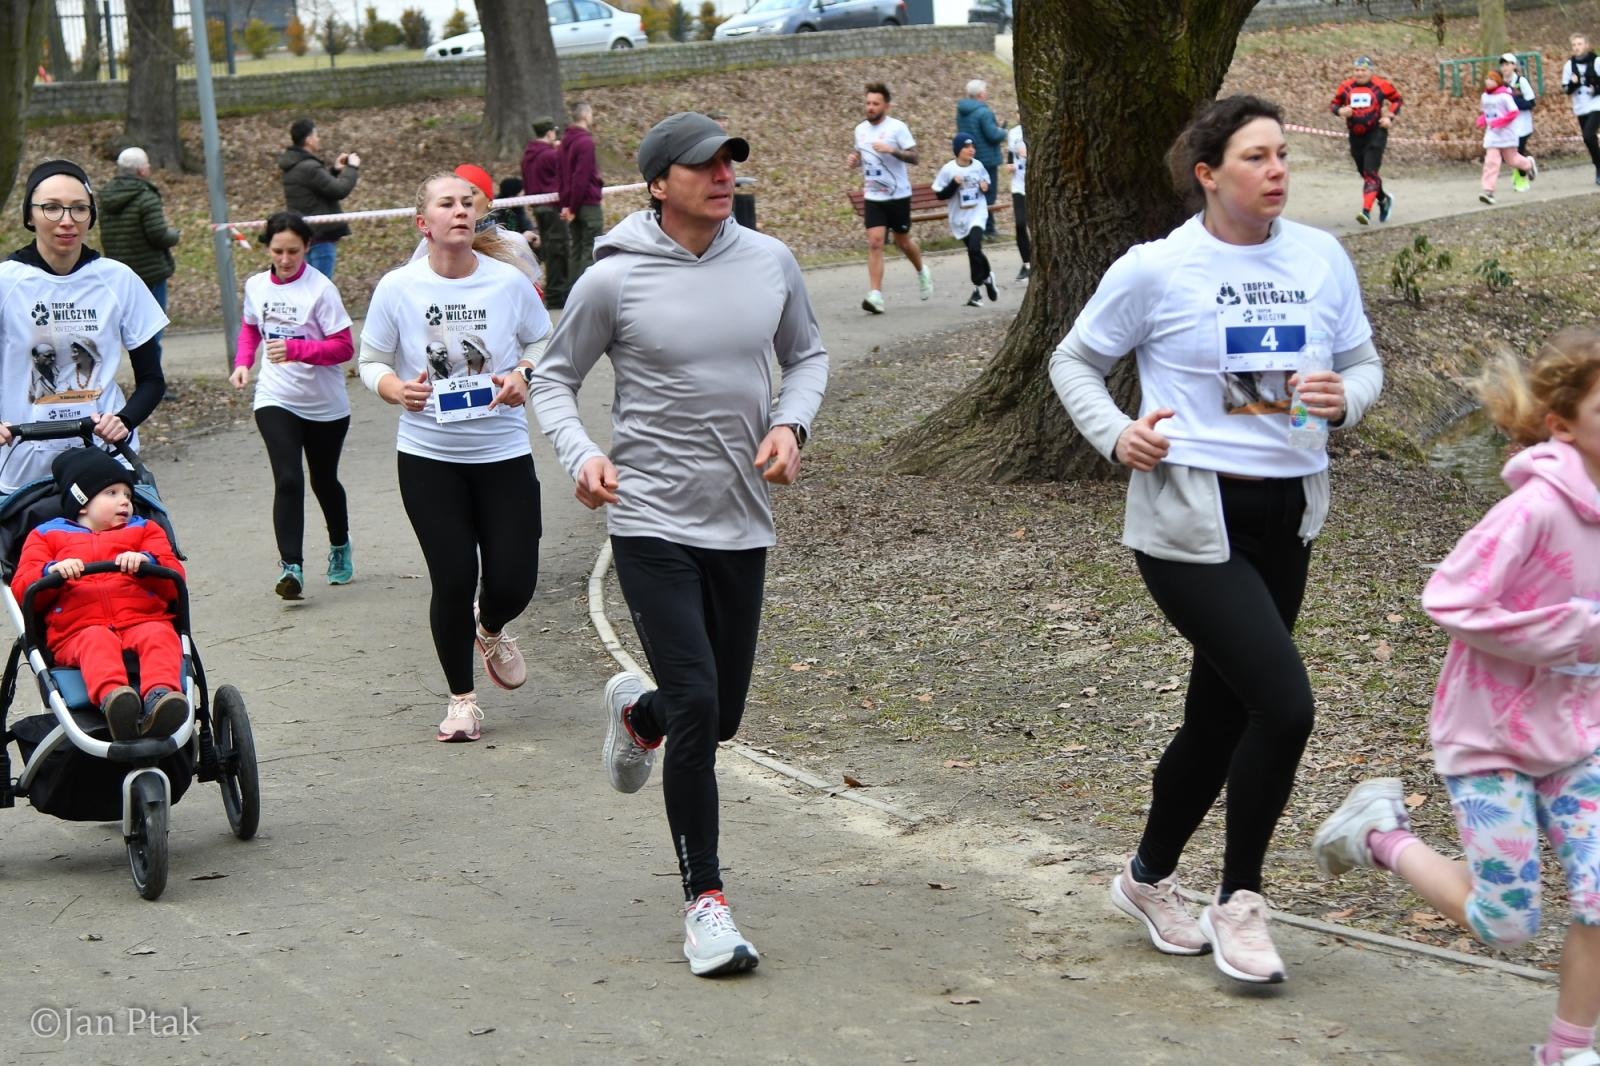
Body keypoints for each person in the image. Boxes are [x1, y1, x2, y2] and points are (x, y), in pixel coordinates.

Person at [1049, 95, 1384, 985]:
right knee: (1286, 705)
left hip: (1289, 514)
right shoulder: (1158, 269)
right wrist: (1116, 434)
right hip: (1189, 520)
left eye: (1282, 154)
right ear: (1208, 174)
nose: (1277, 170)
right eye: (1255, 157)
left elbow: (1363, 361)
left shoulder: (1321, 257)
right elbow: (1072, 360)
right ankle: (1240, 901)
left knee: (1220, 714)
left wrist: (1347, 398)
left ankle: (1145, 879)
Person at [528, 112, 828, 978]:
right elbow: (554, 375)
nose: (723, 174)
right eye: (701, 164)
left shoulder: (770, 262)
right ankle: (707, 905)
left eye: (730, 159)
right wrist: (582, 453)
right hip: (651, 521)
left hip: (741, 519)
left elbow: (806, 356)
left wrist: (790, 424)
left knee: (716, 713)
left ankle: (638, 712)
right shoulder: (614, 280)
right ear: (660, 183)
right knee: (702, 704)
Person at [1312, 329, 1600, 1066]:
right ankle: (1381, 834)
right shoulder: (1532, 509)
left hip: (1578, 738)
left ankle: (1567, 1050)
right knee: (1506, 924)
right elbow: (1449, 599)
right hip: (1490, 740)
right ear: (1563, 427)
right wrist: (1574, 633)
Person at [359, 172, 552, 743]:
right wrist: (394, 389)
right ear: (425, 223)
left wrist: (523, 373)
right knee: (453, 575)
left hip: (502, 450)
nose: (460, 210)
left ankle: (490, 626)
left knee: (515, 578)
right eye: (446, 203)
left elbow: (544, 342)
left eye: (467, 202)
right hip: (428, 456)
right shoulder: (398, 287)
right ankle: (462, 701)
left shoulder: (508, 284)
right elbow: (370, 361)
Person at [0, 160, 167, 494]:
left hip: (103, 462)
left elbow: (152, 379)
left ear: (91, 215)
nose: (67, 221)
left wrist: (124, 420)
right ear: (29, 216)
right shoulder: (6, 282)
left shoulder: (118, 279)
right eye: (51, 208)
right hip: (20, 461)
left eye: (79, 209)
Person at [11, 448, 187, 741]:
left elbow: (175, 578)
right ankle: (116, 701)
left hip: (140, 620)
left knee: (160, 634)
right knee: (97, 639)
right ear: (81, 503)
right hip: (77, 631)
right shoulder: (46, 536)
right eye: (112, 493)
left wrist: (149, 564)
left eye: (128, 496)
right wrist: (52, 572)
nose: (125, 502)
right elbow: (23, 588)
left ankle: (160, 698)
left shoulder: (145, 531)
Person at [228, 211, 355, 600]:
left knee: (323, 480)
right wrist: (243, 363)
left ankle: (339, 545)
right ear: (268, 247)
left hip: (324, 404)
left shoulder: (320, 290)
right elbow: (251, 326)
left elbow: (345, 348)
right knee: (288, 478)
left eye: (294, 252)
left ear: (307, 248)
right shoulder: (256, 286)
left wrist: (299, 349)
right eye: (279, 251)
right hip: (275, 395)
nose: (285, 260)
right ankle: (292, 568)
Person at [848, 82, 932, 314]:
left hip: (898, 195)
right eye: (868, 103)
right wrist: (856, 161)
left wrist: (892, 150)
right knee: (875, 242)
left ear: (886, 105)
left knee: (903, 241)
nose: (870, 107)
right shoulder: (860, 130)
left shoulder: (898, 128)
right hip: (873, 195)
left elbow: (915, 157)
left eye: (875, 103)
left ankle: (921, 271)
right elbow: (863, 154)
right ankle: (876, 295)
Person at [98, 147, 180, 313]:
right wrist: (175, 235)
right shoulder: (146, 197)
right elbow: (159, 235)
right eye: (148, 165)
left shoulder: (106, 196)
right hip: (149, 273)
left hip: (119, 272)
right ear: (141, 170)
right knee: (153, 324)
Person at [279, 118, 361, 279]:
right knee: (320, 288)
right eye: (316, 135)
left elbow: (317, 190)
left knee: (308, 287)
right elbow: (339, 190)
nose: (318, 139)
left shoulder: (295, 166)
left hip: (306, 236)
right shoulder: (309, 167)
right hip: (320, 237)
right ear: (308, 140)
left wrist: (335, 171)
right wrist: (352, 168)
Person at [1329, 55, 1402, 225]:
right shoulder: (1346, 87)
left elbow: (1397, 99)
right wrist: (1340, 111)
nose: (1359, 73)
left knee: (1370, 172)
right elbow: (1334, 104)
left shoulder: (1380, 84)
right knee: (1366, 173)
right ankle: (1384, 200)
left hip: (1376, 132)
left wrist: (1389, 117)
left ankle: (1366, 212)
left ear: (1370, 71)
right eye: (1356, 70)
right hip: (1355, 136)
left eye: (1363, 70)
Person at [934, 133, 997, 308]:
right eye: (967, 147)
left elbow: (987, 185)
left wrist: (985, 187)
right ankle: (987, 277)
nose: (971, 150)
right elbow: (940, 195)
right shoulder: (948, 169)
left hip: (977, 213)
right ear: (957, 150)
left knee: (974, 248)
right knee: (973, 250)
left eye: (973, 147)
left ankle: (976, 289)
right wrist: (954, 184)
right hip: (959, 217)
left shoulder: (978, 166)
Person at [521, 117, 569, 308]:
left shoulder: (528, 155)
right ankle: (558, 295)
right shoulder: (550, 155)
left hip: (538, 206)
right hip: (553, 206)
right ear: (550, 133)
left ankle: (552, 291)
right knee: (559, 250)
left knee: (550, 249)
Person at [559, 102, 604, 288]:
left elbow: (562, 175)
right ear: (586, 115)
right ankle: (587, 292)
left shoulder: (564, 142)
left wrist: (567, 204)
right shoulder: (585, 142)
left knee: (576, 249)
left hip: (572, 203)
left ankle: (572, 292)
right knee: (590, 249)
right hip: (586, 203)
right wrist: (574, 206)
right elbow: (581, 177)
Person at [1478, 70, 1538, 206]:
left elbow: (1514, 112)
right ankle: (1488, 191)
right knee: (1491, 162)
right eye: (1487, 78)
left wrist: (1501, 122)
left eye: (1492, 79)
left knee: (1512, 160)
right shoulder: (1485, 97)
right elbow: (1486, 113)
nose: (1488, 81)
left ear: (1498, 81)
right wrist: (1482, 120)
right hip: (1492, 135)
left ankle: (1528, 164)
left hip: (1507, 134)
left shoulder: (1505, 96)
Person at [955, 79, 1007, 236]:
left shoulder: (961, 112)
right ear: (980, 94)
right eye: (985, 90)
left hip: (969, 157)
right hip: (988, 159)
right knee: (989, 194)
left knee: (975, 193)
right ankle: (988, 229)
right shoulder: (984, 112)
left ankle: (977, 228)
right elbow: (992, 135)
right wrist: (1003, 132)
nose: (986, 93)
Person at [1562, 34, 1600, 185]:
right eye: (1574, 45)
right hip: (1580, 107)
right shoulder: (1568, 66)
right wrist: (1573, 84)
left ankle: (1599, 168)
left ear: (1586, 45)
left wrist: (1596, 88)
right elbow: (1566, 89)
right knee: (1589, 139)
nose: (1577, 47)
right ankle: (1598, 164)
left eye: (1579, 44)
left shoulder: (1596, 61)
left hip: (1597, 104)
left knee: (1588, 135)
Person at [1501, 53, 1538, 192]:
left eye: (1508, 64)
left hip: (1522, 125)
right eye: (1503, 65)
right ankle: (1528, 164)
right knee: (1508, 155)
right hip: (1506, 126)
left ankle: (1521, 180)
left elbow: (1531, 102)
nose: (1505, 68)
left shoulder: (1521, 82)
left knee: (1518, 153)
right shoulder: (1500, 83)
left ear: (1514, 66)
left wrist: (1515, 102)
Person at [1006, 122, 1030, 281]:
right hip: (1018, 186)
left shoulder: (1037, 127)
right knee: (1020, 224)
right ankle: (1027, 264)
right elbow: (1010, 154)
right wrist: (1010, 165)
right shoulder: (1013, 133)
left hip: (1036, 185)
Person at [491, 176, 537, 249]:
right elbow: (497, 235)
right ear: (514, 193)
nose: (524, 194)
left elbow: (527, 226)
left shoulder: (518, 207)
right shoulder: (495, 210)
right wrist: (522, 237)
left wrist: (532, 235)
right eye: (522, 192)